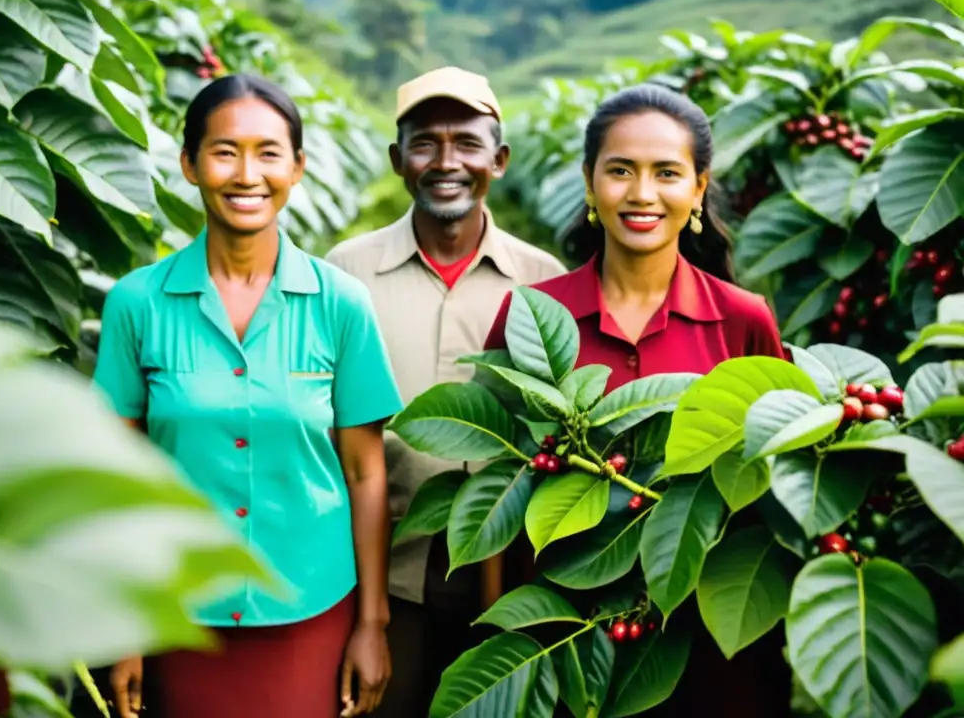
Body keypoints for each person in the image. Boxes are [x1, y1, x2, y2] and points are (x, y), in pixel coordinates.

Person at [92, 74, 403, 718]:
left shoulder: (340, 305)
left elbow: (366, 473)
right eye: (224, 151)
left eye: (268, 152)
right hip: (176, 604)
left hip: (309, 603)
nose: (246, 174)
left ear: (298, 168)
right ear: (189, 164)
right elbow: (113, 476)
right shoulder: (137, 303)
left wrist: (373, 622)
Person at [482, 83, 789, 716]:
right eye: (620, 170)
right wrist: (501, 631)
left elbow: (769, 484)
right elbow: (496, 488)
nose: (643, 193)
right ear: (590, 183)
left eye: (667, 173)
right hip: (564, 635)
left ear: (699, 188)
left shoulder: (742, 321)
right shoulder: (533, 317)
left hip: (710, 648)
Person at [325, 66, 567, 717]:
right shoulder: (344, 275)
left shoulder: (544, 285)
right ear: (397, 159)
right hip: (380, 570)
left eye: (466, 142)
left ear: (500, 159)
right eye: (425, 142)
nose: (446, 161)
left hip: (504, 574)